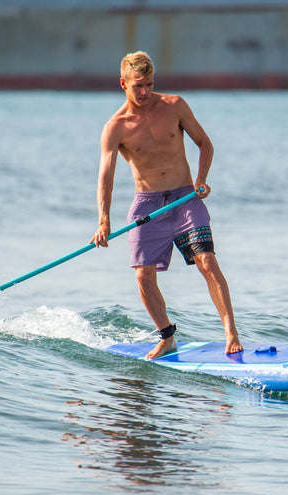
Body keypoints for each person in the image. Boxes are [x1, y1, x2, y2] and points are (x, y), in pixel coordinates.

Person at [90, 51, 243, 360]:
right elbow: (106, 177)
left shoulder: (175, 106)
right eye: (138, 86)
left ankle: (231, 333)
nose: (145, 92)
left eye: (149, 84)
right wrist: (103, 221)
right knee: (143, 276)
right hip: (147, 205)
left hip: (186, 198)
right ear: (124, 84)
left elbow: (205, 143)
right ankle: (167, 337)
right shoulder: (115, 127)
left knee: (207, 262)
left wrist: (201, 179)